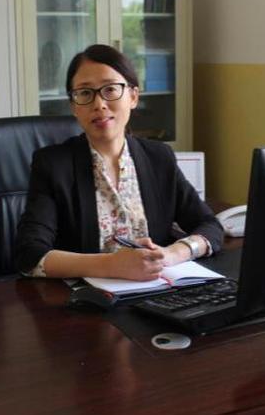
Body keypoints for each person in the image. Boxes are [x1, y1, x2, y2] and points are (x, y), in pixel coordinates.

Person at [15, 44, 223, 281]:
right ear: (74, 106)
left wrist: (173, 254)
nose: (99, 104)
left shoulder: (158, 157)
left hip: (157, 291)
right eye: (85, 93)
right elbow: (29, 255)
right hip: (86, 298)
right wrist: (111, 265)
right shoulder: (53, 165)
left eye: (110, 89)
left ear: (133, 97)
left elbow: (209, 225)